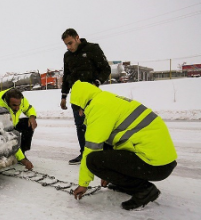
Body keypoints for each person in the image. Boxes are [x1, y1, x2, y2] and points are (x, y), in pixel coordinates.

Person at [70, 80, 177, 210]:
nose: (80, 114)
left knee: (93, 160)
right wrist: (110, 174)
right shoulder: (107, 99)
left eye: (78, 109)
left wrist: (83, 184)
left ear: (82, 103)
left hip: (156, 165)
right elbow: (119, 141)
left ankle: (145, 190)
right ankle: (125, 184)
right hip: (162, 161)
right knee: (106, 149)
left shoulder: (99, 108)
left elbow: (91, 150)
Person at [60, 28, 111, 165]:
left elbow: (106, 69)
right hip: (77, 96)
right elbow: (66, 76)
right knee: (81, 126)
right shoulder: (67, 56)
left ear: (77, 38)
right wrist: (63, 96)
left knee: (97, 124)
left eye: (70, 43)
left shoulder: (92, 49)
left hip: (93, 94)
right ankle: (85, 153)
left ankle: (105, 154)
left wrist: (96, 83)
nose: (69, 47)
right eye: (66, 44)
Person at [0, 88, 37, 170]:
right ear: (7, 102)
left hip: (14, 124)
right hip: (3, 131)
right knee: (12, 137)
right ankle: (17, 155)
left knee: (28, 124)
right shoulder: (0, 110)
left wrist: (32, 117)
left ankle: (22, 151)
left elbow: (28, 108)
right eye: (14, 105)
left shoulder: (21, 100)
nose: (18, 108)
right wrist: (23, 160)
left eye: (19, 104)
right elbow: (9, 136)